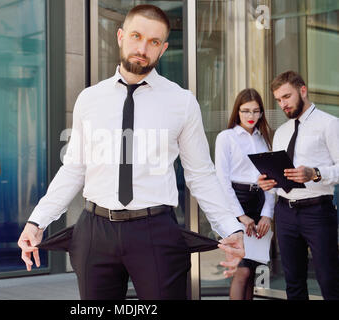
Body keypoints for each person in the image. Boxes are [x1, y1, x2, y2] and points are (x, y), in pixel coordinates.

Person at [18, 4, 244, 300]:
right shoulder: (89, 99)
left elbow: (200, 174)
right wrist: (37, 222)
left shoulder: (182, 102)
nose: (142, 48)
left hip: (155, 230)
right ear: (121, 36)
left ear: (162, 49)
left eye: (153, 42)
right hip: (94, 231)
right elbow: (74, 168)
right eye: (136, 36)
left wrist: (230, 227)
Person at [258, 71, 339, 300]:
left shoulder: (329, 124)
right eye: (279, 100)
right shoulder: (281, 133)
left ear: (303, 90)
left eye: (287, 96)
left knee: (329, 281)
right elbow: (280, 178)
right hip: (285, 213)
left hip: (318, 213)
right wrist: (268, 183)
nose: (283, 104)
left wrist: (315, 173)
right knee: (293, 284)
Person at [215, 88, 274, 300]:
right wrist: (240, 216)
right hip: (236, 203)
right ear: (237, 111)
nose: (251, 116)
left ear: (261, 113)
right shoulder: (226, 138)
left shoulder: (265, 140)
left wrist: (267, 213)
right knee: (242, 271)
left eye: (256, 111)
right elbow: (222, 181)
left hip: (260, 203)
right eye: (245, 111)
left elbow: (271, 180)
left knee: (252, 271)